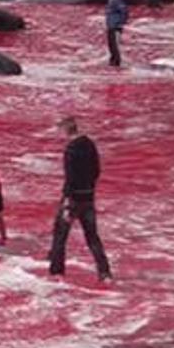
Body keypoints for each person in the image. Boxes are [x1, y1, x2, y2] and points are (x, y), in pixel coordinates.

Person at [47, 117, 112, 281]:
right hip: (89, 196)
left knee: (60, 235)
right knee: (92, 236)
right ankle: (104, 272)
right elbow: (97, 170)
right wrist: (89, 188)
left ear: (65, 131)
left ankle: (57, 272)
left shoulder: (70, 149)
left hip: (73, 199)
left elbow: (70, 177)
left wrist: (68, 199)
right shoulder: (90, 144)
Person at [104, 0, 128, 66]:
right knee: (111, 44)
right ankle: (113, 59)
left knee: (115, 45)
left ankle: (116, 61)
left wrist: (120, 22)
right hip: (111, 25)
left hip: (115, 26)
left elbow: (124, 10)